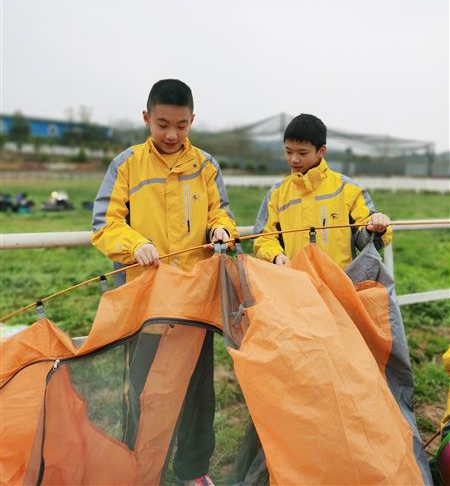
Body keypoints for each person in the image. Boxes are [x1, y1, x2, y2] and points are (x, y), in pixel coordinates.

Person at [92, 78, 238, 486]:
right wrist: (134, 243)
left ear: (192, 121)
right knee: (142, 390)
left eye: (181, 125)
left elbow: (221, 214)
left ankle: (193, 469)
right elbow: (105, 224)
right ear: (146, 119)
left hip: (195, 299)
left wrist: (222, 231)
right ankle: (137, 468)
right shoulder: (127, 164)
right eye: (162, 124)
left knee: (197, 390)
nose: (171, 134)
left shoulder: (206, 166)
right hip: (147, 301)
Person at [253, 113, 392, 267]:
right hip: (296, 284)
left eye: (302, 153)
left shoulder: (347, 189)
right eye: (288, 151)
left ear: (321, 151)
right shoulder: (277, 194)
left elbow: (366, 241)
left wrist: (376, 228)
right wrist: (275, 255)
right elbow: (263, 237)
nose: (294, 159)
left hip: (339, 285)